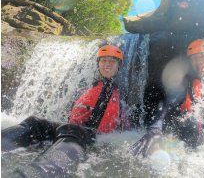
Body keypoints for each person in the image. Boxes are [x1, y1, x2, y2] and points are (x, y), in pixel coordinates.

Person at [2, 44, 131, 177]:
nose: (107, 64)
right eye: (104, 60)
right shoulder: (94, 86)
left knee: (73, 131)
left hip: (87, 137)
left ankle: (34, 174)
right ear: (98, 64)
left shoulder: (116, 93)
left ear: (118, 66)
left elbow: (112, 128)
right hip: (71, 131)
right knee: (35, 122)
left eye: (112, 61)